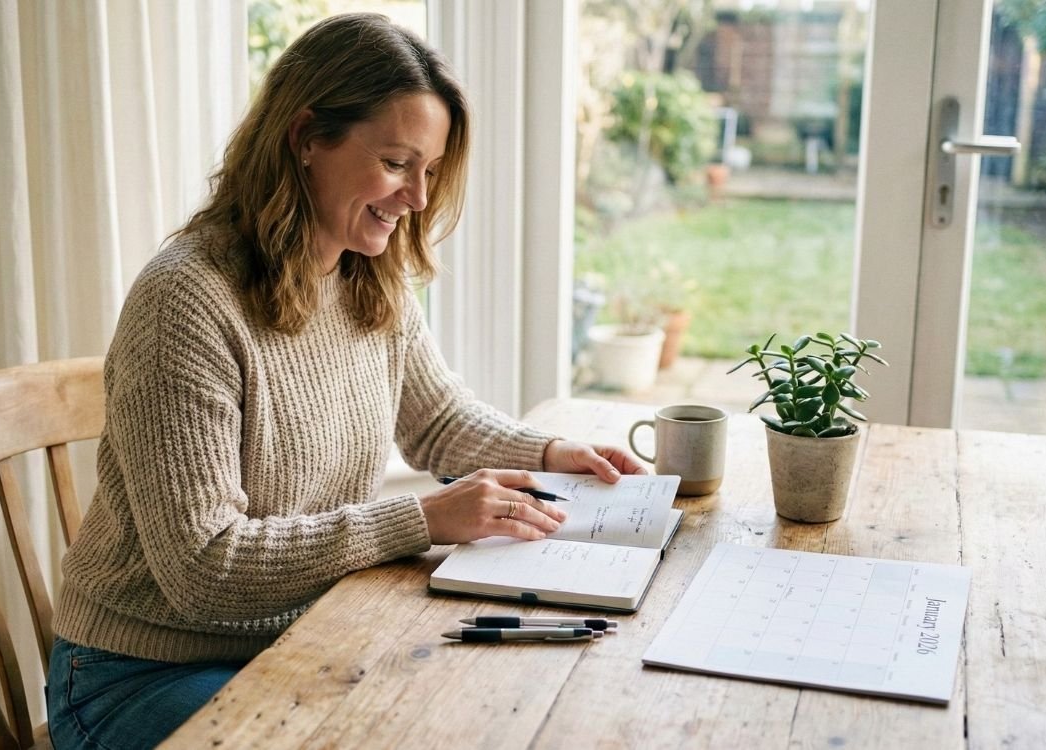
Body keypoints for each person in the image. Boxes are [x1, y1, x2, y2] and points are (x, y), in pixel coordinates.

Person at [45, 12, 646, 749]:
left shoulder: (369, 276)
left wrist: (549, 455)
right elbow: (205, 567)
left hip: (301, 635)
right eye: (397, 163)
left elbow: (437, 419)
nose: (419, 198)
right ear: (306, 139)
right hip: (141, 672)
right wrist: (421, 520)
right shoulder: (186, 301)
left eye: (430, 170)